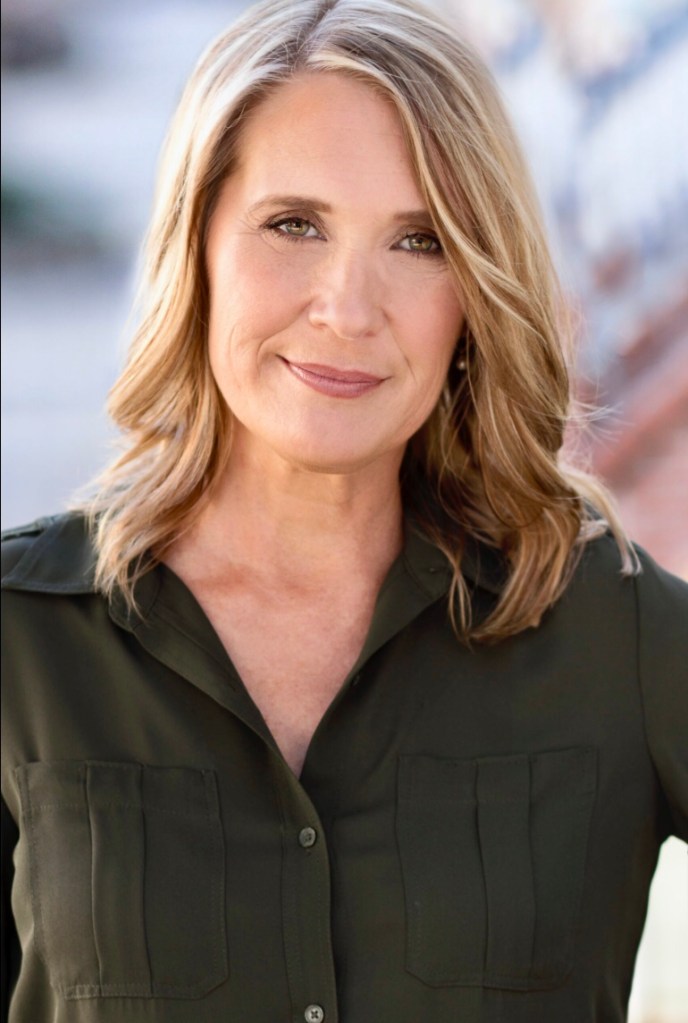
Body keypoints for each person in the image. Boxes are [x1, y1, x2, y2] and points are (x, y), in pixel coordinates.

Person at [2, 0, 686, 1019]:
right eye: (294, 225)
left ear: (474, 292)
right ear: (195, 243)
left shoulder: (612, 634)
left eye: (420, 240)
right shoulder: (23, 635)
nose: (347, 309)